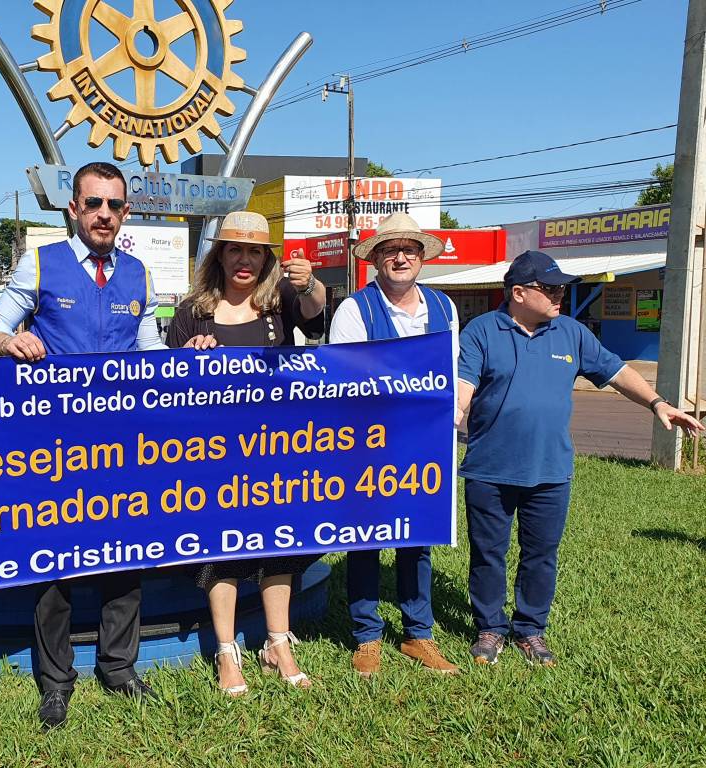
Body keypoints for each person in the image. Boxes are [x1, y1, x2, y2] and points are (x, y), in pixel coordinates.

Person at [0, 161, 165, 728]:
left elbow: (150, 350)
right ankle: (56, 681)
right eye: (93, 204)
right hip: (53, 446)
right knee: (55, 563)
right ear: (74, 208)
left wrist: (189, 366)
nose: (104, 214)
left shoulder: (139, 274)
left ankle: (119, 667)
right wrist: (9, 342)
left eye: (114, 205)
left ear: (125, 211)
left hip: (124, 443)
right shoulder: (41, 262)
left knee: (126, 557)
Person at [457, 250, 704, 667]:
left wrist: (658, 403)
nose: (560, 295)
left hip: (551, 470)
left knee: (541, 554)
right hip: (490, 468)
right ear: (518, 293)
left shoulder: (571, 332)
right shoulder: (481, 330)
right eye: (550, 288)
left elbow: (617, 371)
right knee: (488, 554)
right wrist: (454, 413)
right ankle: (490, 628)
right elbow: (464, 383)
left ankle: (530, 630)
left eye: (562, 288)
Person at [166, 210, 326, 694]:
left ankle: (278, 643)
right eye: (235, 249)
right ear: (219, 255)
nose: (245, 259)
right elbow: (166, 386)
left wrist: (310, 282)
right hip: (212, 454)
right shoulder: (191, 312)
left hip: (275, 450)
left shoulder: (280, 302)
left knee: (280, 545)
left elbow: (316, 309)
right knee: (222, 550)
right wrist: (187, 360)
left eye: (255, 251)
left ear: (266, 259)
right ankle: (225, 650)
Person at [329, 212, 460, 677]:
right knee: (365, 537)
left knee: (418, 536)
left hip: (425, 441)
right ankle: (367, 635)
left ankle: (418, 634)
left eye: (409, 250)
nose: (400, 258)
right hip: (369, 441)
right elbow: (344, 378)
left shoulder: (444, 307)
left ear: (421, 258)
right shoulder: (354, 309)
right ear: (376, 259)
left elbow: (449, 372)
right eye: (390, 250)